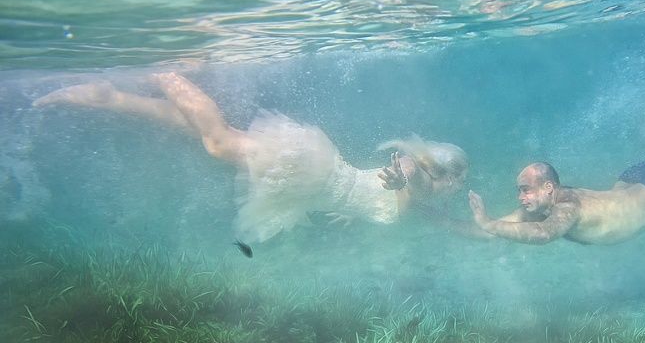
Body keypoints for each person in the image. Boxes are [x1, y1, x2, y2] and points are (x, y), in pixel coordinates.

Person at [33, 72, 468, 243]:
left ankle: (115, 99)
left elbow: (386, 191)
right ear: (441, 176)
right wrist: (397, 180)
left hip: (317, 183)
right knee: (218, 142)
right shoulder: (413, 185)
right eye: (455, 183)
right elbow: (403, 174)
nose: (454, 191)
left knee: (217, 138)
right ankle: (163, 69)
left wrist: (352, 212)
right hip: (308, 172)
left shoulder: (419, 194)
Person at [465, 32, 645, 245]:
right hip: (636, 180)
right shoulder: (542, 206)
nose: (521, 197)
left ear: (549, 187)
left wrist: (489, 223)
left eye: (526, 190)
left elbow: (542, 234)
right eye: (520, 191)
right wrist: (432, 216)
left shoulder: (566, 208)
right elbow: (487, 231)